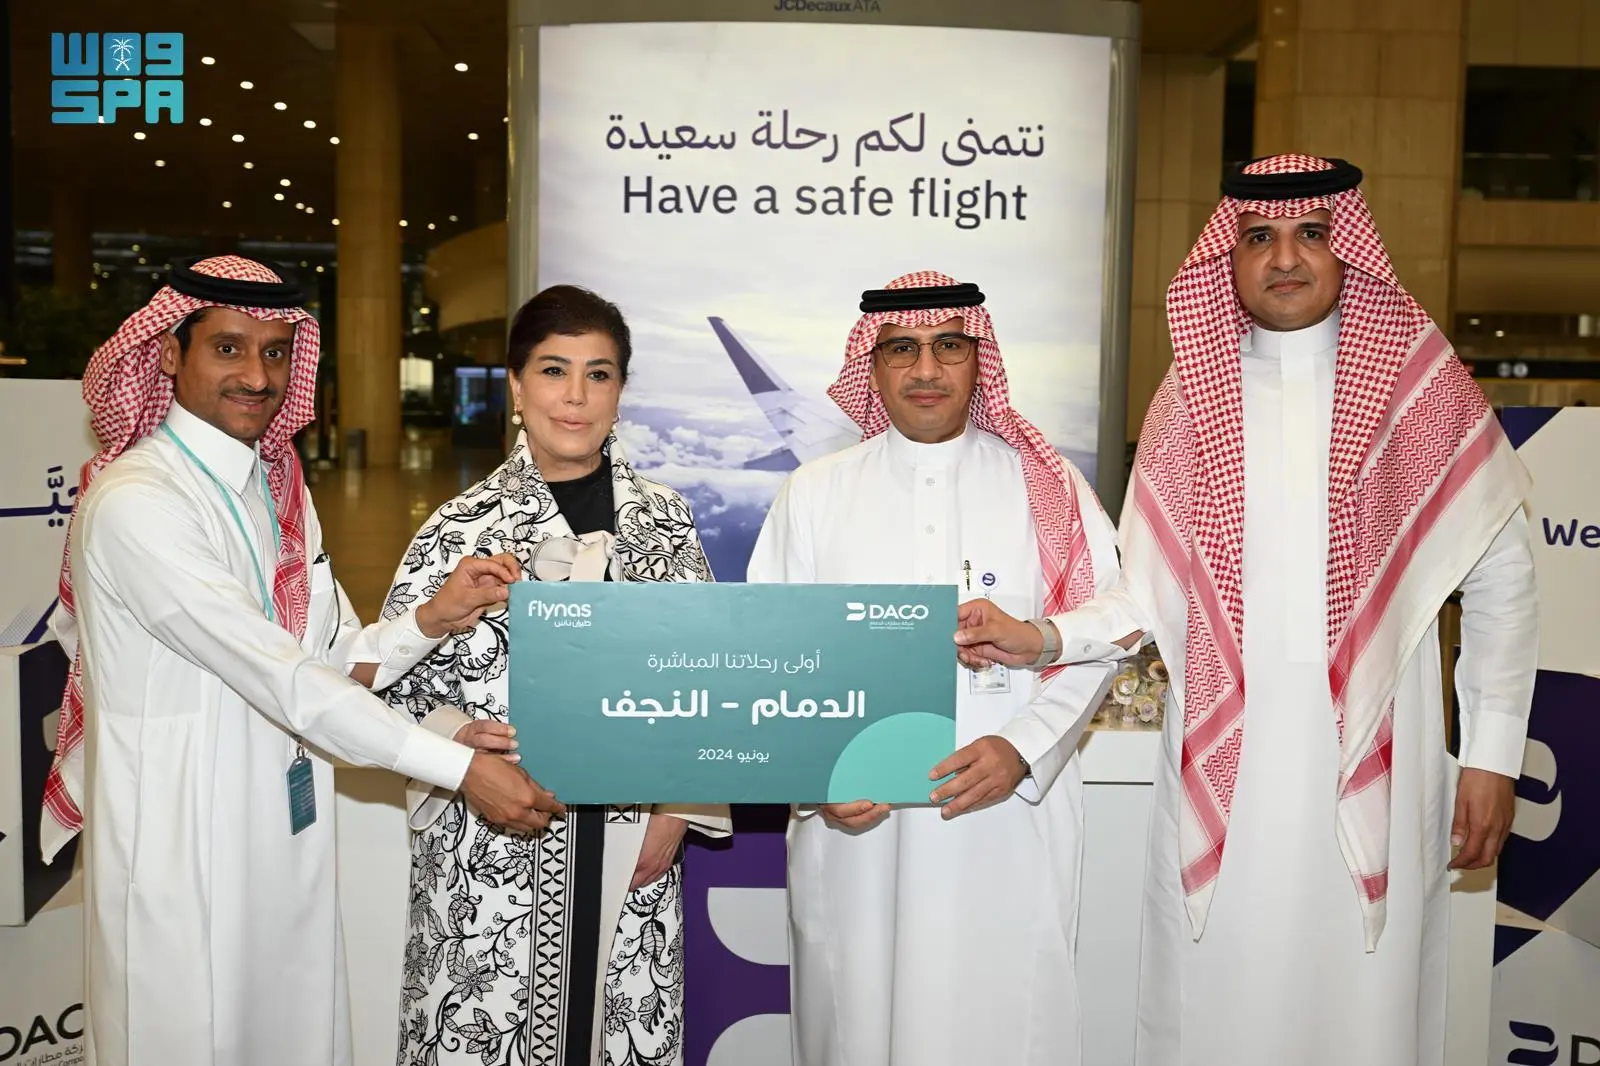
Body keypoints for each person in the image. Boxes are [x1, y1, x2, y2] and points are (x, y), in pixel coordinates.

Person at [953, 155, 1539, 1066]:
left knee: (1369, 1009)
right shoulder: (1191, 400)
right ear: (1227, 261)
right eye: (1259, 237)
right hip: (1227, 762)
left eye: (1312, 234)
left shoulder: (1422, 394)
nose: (1285, 258)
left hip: (1384, 755)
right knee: (1216, 1004)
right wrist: (1043, 639)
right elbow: (1141, 595)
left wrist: (1494, 754)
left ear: (1349, 250)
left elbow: (1504, 579)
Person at [37, 255, 559, 1066]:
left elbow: (327, 655)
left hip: (284, 835)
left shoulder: (277, 487)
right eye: (229, 348)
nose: (257, 375)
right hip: (180, 851)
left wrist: (432, 617)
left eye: (276, 352)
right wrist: (459, 770)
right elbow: (281, 678)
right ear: (169, 353)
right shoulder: (138, 503)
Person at [744, 271, 1122, 1066]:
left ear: (980, 359)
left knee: (998, 1026)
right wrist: (814, 779)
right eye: (902, 349)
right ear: (873, 366)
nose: (925, 369)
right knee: (855, 1027)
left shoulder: (1047, 487)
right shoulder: (814, 493)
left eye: (949, 346)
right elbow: (766, 659)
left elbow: (1109, 629)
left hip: (1005, 822)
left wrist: (1024, 748)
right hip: (856, 836)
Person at [376, 284, 731, 1066]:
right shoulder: (458, 528)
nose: (575, 396)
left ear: (620, 391)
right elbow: (389, 688)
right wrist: (456, 743)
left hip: (634, 844)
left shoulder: (665, 520)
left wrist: (677, 812)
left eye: (598, 374)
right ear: (515, 385)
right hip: (490, 848)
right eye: (552, 370)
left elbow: (710, 679)